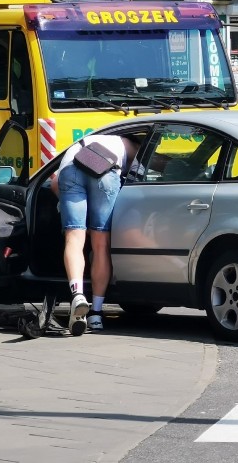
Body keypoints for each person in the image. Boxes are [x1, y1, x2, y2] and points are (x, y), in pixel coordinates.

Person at [52, 133, 141, 336]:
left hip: (70, 170)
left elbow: (55, 185)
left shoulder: (90, 141)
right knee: (100, 244)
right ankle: (96, 313)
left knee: (74, 239)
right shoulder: (130, 147)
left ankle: (77, 295)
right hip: (106, 174)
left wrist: (64, 204)